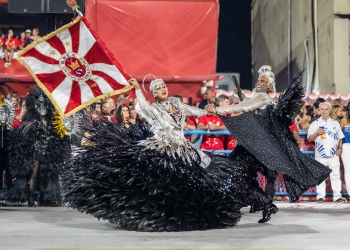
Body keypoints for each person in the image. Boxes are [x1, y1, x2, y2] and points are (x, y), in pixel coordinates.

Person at [61, 76, 271, 232]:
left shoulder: (177, 105)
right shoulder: (152, 108)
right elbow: (142, 105)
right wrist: (137, 89)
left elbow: (196, 112)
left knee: (204, 176)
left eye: (163, 86)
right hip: (160, 147)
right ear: (153, 92)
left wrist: (209, 110)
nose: (162, 89)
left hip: (183, 149)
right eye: (157, 88)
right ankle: (154, 212)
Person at [208, 66, 331, 223]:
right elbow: (247, 103)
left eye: (263, 81)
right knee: (250, 174)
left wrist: (218, 109)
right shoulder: (260, 99)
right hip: (256, 145)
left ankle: (261, 203)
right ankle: (261, 204)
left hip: (261, 146)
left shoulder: (263, 98)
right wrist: (240, 93)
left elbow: (243, 106)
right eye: (259, 80)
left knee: (245, 172)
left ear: (270, 86)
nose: (259, 83)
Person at [6, 86, 71, 206]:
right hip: (34, 151)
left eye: (44, 105)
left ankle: (46, 198)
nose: (42, 108)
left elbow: (60, 137)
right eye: (39, 105)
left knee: (45, 174)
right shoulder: (31, 121)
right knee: (32, 174)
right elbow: (23, 135)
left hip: (47, 151)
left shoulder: (53, 122)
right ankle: (29, 198)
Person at [307, 102, 346, 203]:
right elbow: (309, 138)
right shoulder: (315, 124)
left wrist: (340, 148)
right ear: (319, 111)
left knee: (336, 176)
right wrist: (316, 133)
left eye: (326, 109)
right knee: (320, 176)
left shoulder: (335, 123)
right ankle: (320, 196)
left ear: (329, 111)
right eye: (322, 109)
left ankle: (337, 196)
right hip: (320, 155)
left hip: (333, 155)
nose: (324, 111)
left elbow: (340, 137)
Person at [340, 102, 350, 198]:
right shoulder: (344, 121)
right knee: (348, 169)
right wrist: (339, 147)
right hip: (346, 145)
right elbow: (339, 136)